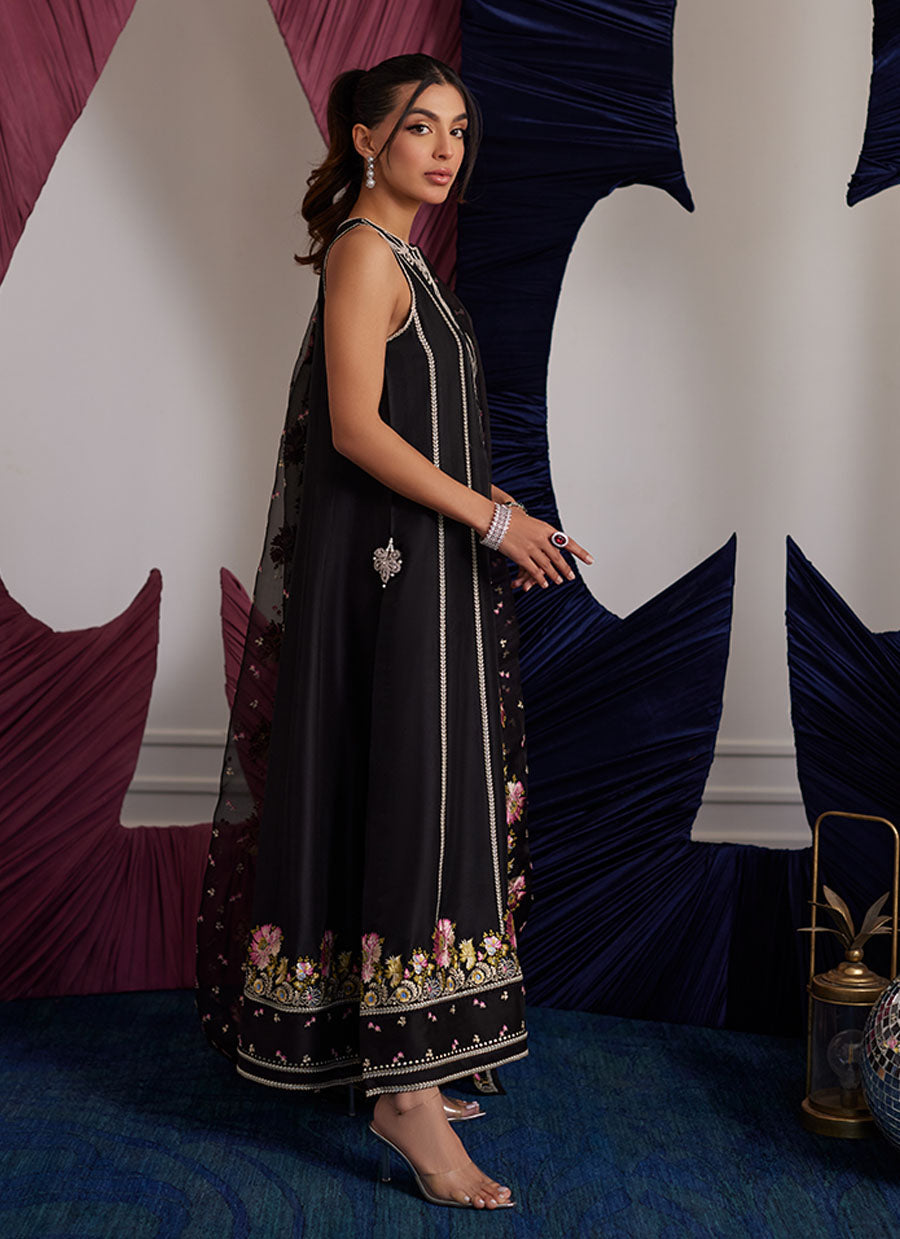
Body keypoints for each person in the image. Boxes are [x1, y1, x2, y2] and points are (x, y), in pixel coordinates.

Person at [196, 52, 591, 1210]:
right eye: (422, 126)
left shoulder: (407, 259)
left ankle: (398, 1062)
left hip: (427, 575)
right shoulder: (366, 253)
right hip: (393, 581)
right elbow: (358, 430)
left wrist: (503, 518)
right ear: (368, 138)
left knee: (425, 801)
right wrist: (498, 519)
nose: (446, 149)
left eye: (459, 129)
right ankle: (404, 1095)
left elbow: (425, 434)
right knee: (412, 805)